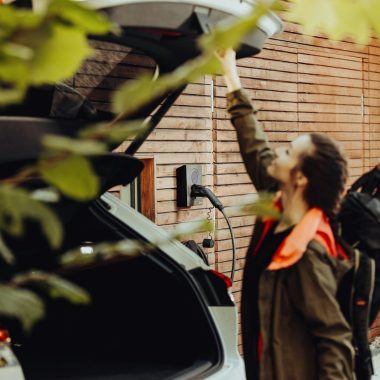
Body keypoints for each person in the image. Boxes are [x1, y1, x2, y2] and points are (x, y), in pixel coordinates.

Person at [217, 49, 355, 380]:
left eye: (289, 152)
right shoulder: (277, 203)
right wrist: (229, 74)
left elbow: (334, 340)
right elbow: (255, 144)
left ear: (301, 178)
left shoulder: (307, 252)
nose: (279, 151)